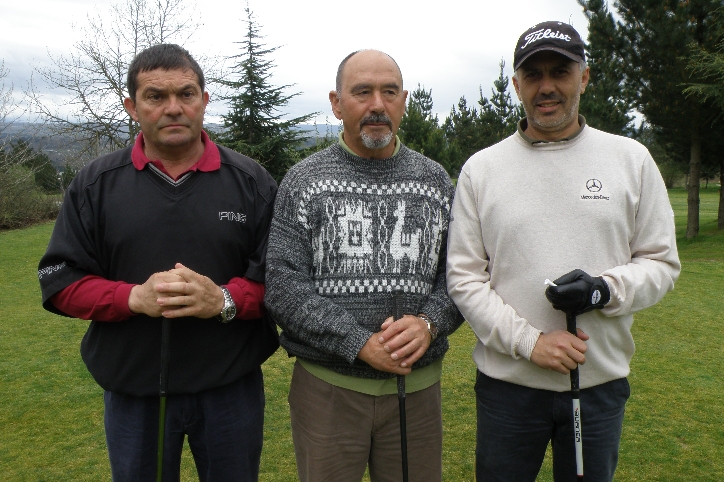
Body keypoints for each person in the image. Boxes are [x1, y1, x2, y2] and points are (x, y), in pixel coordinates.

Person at [446, 21, 681, 482]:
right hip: (508, 392)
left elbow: (661, 262)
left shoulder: (630, 159)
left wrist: (604, 290)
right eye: (533, 75)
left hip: (597, 388)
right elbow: (465, 278)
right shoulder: (482, 170)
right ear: (516, 84)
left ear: (585, 77)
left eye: (560, 71)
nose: (547, 87)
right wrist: (530, 343)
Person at [37, 44, 278, 482]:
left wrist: (223, 299)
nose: (173, 108)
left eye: (186, 94)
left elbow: (280, 282)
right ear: (132, 106)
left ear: (205, 100)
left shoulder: (252, 183)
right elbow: (59, 281)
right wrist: (132, 298)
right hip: (134, 393)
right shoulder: (95, 185)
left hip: (231, 389)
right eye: (155, 96)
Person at [264, 49, 462, 482]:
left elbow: (461, 276)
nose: (377, 104)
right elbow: (282, 285)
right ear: (336, 103)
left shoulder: (434, 181)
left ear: (404, 100)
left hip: (417, 391)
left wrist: (428, 323)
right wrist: (357, 342)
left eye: (389, 92)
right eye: (362, 92)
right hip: (329, 392)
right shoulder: (304, 180)